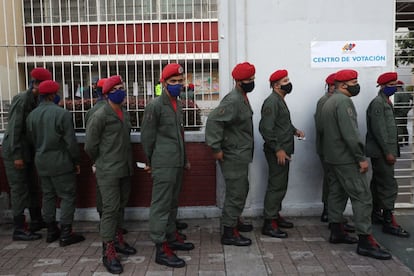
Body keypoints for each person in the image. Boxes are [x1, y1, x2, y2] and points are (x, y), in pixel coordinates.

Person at [321, 69, 391, 260]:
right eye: (354, 81)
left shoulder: (329, 101)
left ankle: (337, 230)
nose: (356, 85)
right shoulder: (344, 102)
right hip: (346, 158)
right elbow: (350, 133)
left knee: (337, 192)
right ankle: (365, 241)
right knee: (362, 196)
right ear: (343, 85)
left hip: (333, 157)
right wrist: (360, 157)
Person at [141, 63, 195, 268]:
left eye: (180, 81)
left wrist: (185, 159)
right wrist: (150, 162)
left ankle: (171, 236)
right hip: (163, 163)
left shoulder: (177, 103)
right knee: (161, 205)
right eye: (173, 82)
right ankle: (160, 246)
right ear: (163, 83)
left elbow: (178, 135)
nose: (178, 85)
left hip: (176, 161)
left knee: (172, 202)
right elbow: (147, 137)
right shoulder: (155, 105)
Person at [85, 75, 136, 274]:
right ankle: (108, 250)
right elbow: (90, 146)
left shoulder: (124, 112)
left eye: (123, 87)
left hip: (124, 167)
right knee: (110, 209)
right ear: (107, 94)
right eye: (117, 89)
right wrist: (101, 161)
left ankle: (118, 239)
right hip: (108, 170)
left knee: (121, 206)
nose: (121, 92)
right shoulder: (100, 115)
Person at [26, 80, 85, 247]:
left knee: (48, 195)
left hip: (41, 162)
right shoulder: (62, 114)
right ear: (52, 95)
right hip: (61, 162)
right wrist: (76, 161)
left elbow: (31, 139)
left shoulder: (32, 115)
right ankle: (66, 233)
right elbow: (70, 142)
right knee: (67, 196)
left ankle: (51, 230)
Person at [205, 62, 256, 247]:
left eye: (253, 79)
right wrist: (216, 148)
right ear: (238, 81)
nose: (251, 82)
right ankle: (229, 232)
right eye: (248, 80)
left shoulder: (242, 97)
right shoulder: (233, 100)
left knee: (241, 189)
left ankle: (234, 220)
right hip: (233, 155)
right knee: (236, 192)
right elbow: (213, 121)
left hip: (240, 153)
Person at [2, 67, 51, 241]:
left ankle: (36, 220)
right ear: (36, 84)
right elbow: (15, 128)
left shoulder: (36, 100)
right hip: (16, 151)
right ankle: (19, 228)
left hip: (27, 151)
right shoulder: (22, 99)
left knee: (32, 186)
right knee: (19, 189)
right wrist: (16, 155)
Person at [259, 69, 305, 239]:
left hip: (283, 149)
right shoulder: (271, 102)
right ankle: (269, 223)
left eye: (288, 80)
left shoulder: (279, 100)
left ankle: (275, 215)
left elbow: (282, 123)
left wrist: (295, 131)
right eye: (285, 81)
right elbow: (266, 128)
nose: (289, 83)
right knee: (276, 186)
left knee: (281, 184)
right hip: (277, 151)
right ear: (276, 85)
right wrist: (278, 149)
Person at [366, 72, 410, 238]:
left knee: (379, 183)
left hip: (384, 151)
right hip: (382, 152)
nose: (395, 87)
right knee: (388, 185)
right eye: (392, 84)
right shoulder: (378, 104)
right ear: (383, 86)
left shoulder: (385, 102)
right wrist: (388, 152)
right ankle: (388, 221)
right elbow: (379, 131)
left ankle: (376, 214)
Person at [314, 73, 355, 233]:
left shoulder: (334, 100)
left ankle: (333, 215)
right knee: (332, 182)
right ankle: (329, 213)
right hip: (328, 148)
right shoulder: (325, 101)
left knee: (334, 182)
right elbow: (321, 126)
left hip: (331, 148)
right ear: (331, 86)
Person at [394, 80, 413, 146]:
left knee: (399, 127)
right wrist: (410, 107)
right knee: (404, 126)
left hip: (398, 112)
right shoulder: (407, 93)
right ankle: (406, 140)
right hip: (405, 112)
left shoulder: (397, 94)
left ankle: (400, 141)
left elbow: (395, 103)